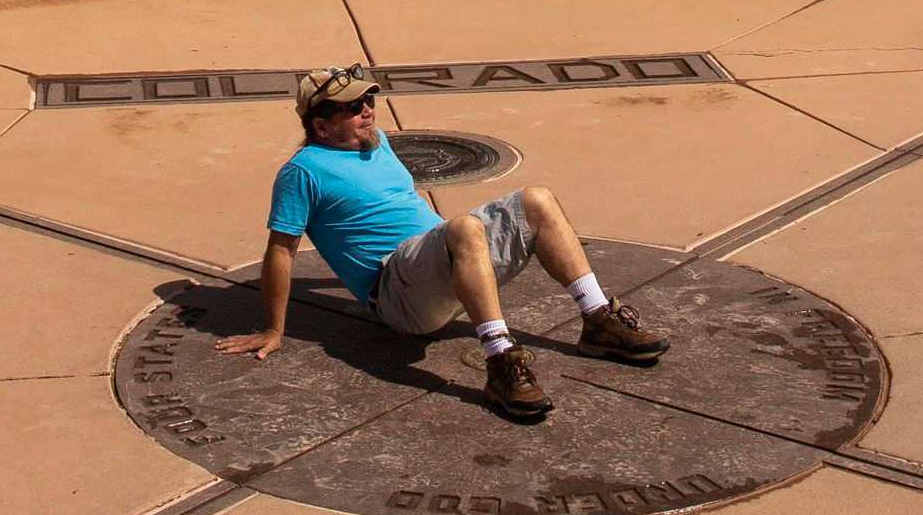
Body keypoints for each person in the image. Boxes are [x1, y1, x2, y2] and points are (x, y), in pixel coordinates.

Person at [219, 66, 668, 420]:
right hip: (399, 295)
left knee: (538, 200)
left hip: (442, 266)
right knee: (462, 228)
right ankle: (500, 363)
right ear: (320, 125)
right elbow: (281, 250)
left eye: (368, 99)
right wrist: (274, 330)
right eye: (353, 107)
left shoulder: (376, 144)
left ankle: (598, 321)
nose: (368, 109)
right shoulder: (303, 172)